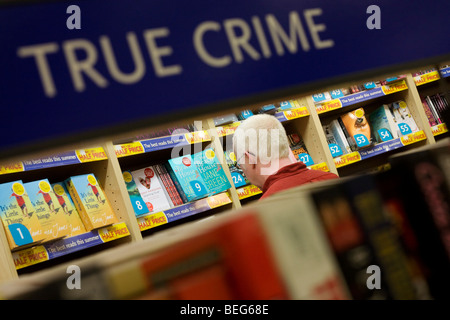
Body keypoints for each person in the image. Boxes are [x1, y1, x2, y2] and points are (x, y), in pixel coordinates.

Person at [232, 114, 339, 200]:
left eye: (240, 164)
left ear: (251, 159)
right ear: (286, 147)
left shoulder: (264, 209)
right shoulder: (332, 179)